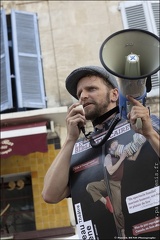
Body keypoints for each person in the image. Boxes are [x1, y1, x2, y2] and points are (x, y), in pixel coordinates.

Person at [42, 66, 160, 235]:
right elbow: (49, 195)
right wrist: (70, 139)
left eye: (91, 89)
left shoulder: (147, 124)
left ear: (114, 94)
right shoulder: (80, 146)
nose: (83, 96)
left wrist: (149, 133)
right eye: (79, 93)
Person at [86, 135, 146, 238]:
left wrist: (140, 145)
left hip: (116, 185)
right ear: (110, 148)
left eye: (117, 143)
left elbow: (134, 158)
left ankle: (122, 232)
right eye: (114, 144)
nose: (117, 145)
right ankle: (106, 202)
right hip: (106, 182)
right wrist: (122, 159)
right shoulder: (108, 157)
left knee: (118, 212)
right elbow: (111, 171)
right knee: (89, 187)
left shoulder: (121, 155)